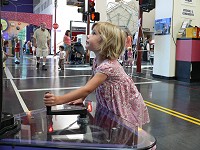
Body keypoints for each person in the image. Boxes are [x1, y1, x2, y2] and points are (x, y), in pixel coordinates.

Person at [44, 22, 150, 128]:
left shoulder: (108, 66)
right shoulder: (97, 61)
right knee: (107, 127)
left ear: (106, 42)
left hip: (121, 106)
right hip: (110, 103)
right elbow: (92, 80)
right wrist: (82, 98)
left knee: (120, 129)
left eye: (94, 33)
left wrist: (59, 100)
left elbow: (87, 89)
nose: (89, 35)